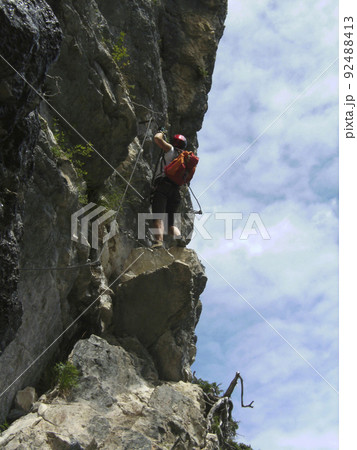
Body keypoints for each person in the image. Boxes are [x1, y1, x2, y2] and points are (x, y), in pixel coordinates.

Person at [151, 130, 187, 248]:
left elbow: (157, 139)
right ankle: (179, 238)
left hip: (163, 187)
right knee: (170, 223)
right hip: (175, 192)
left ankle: (158, 242)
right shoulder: (184, 159)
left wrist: (161, 132)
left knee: (158, 216)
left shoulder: (171, 150)